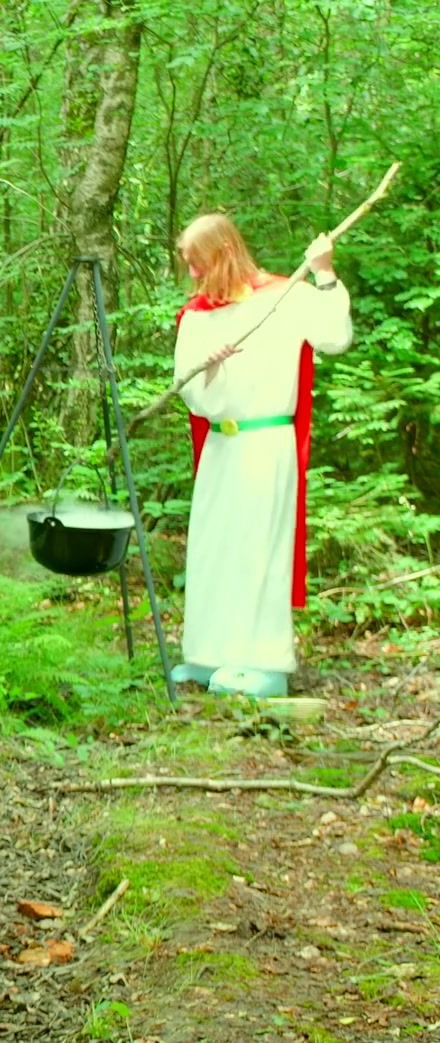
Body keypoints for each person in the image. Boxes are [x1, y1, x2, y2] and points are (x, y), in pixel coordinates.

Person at [169, 213, 353, 698]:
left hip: (266, 443)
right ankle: (209, 654)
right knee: (213, 549)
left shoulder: (284, 297)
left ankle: (263, 663)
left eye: (198, 262)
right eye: (188, 263)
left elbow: (335, 337)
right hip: (221, 448)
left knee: (259, 548)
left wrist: (324, 272)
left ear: (226, 253)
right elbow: (189, 390)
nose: (193, 273)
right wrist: (207, 369)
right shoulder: (197, 316)